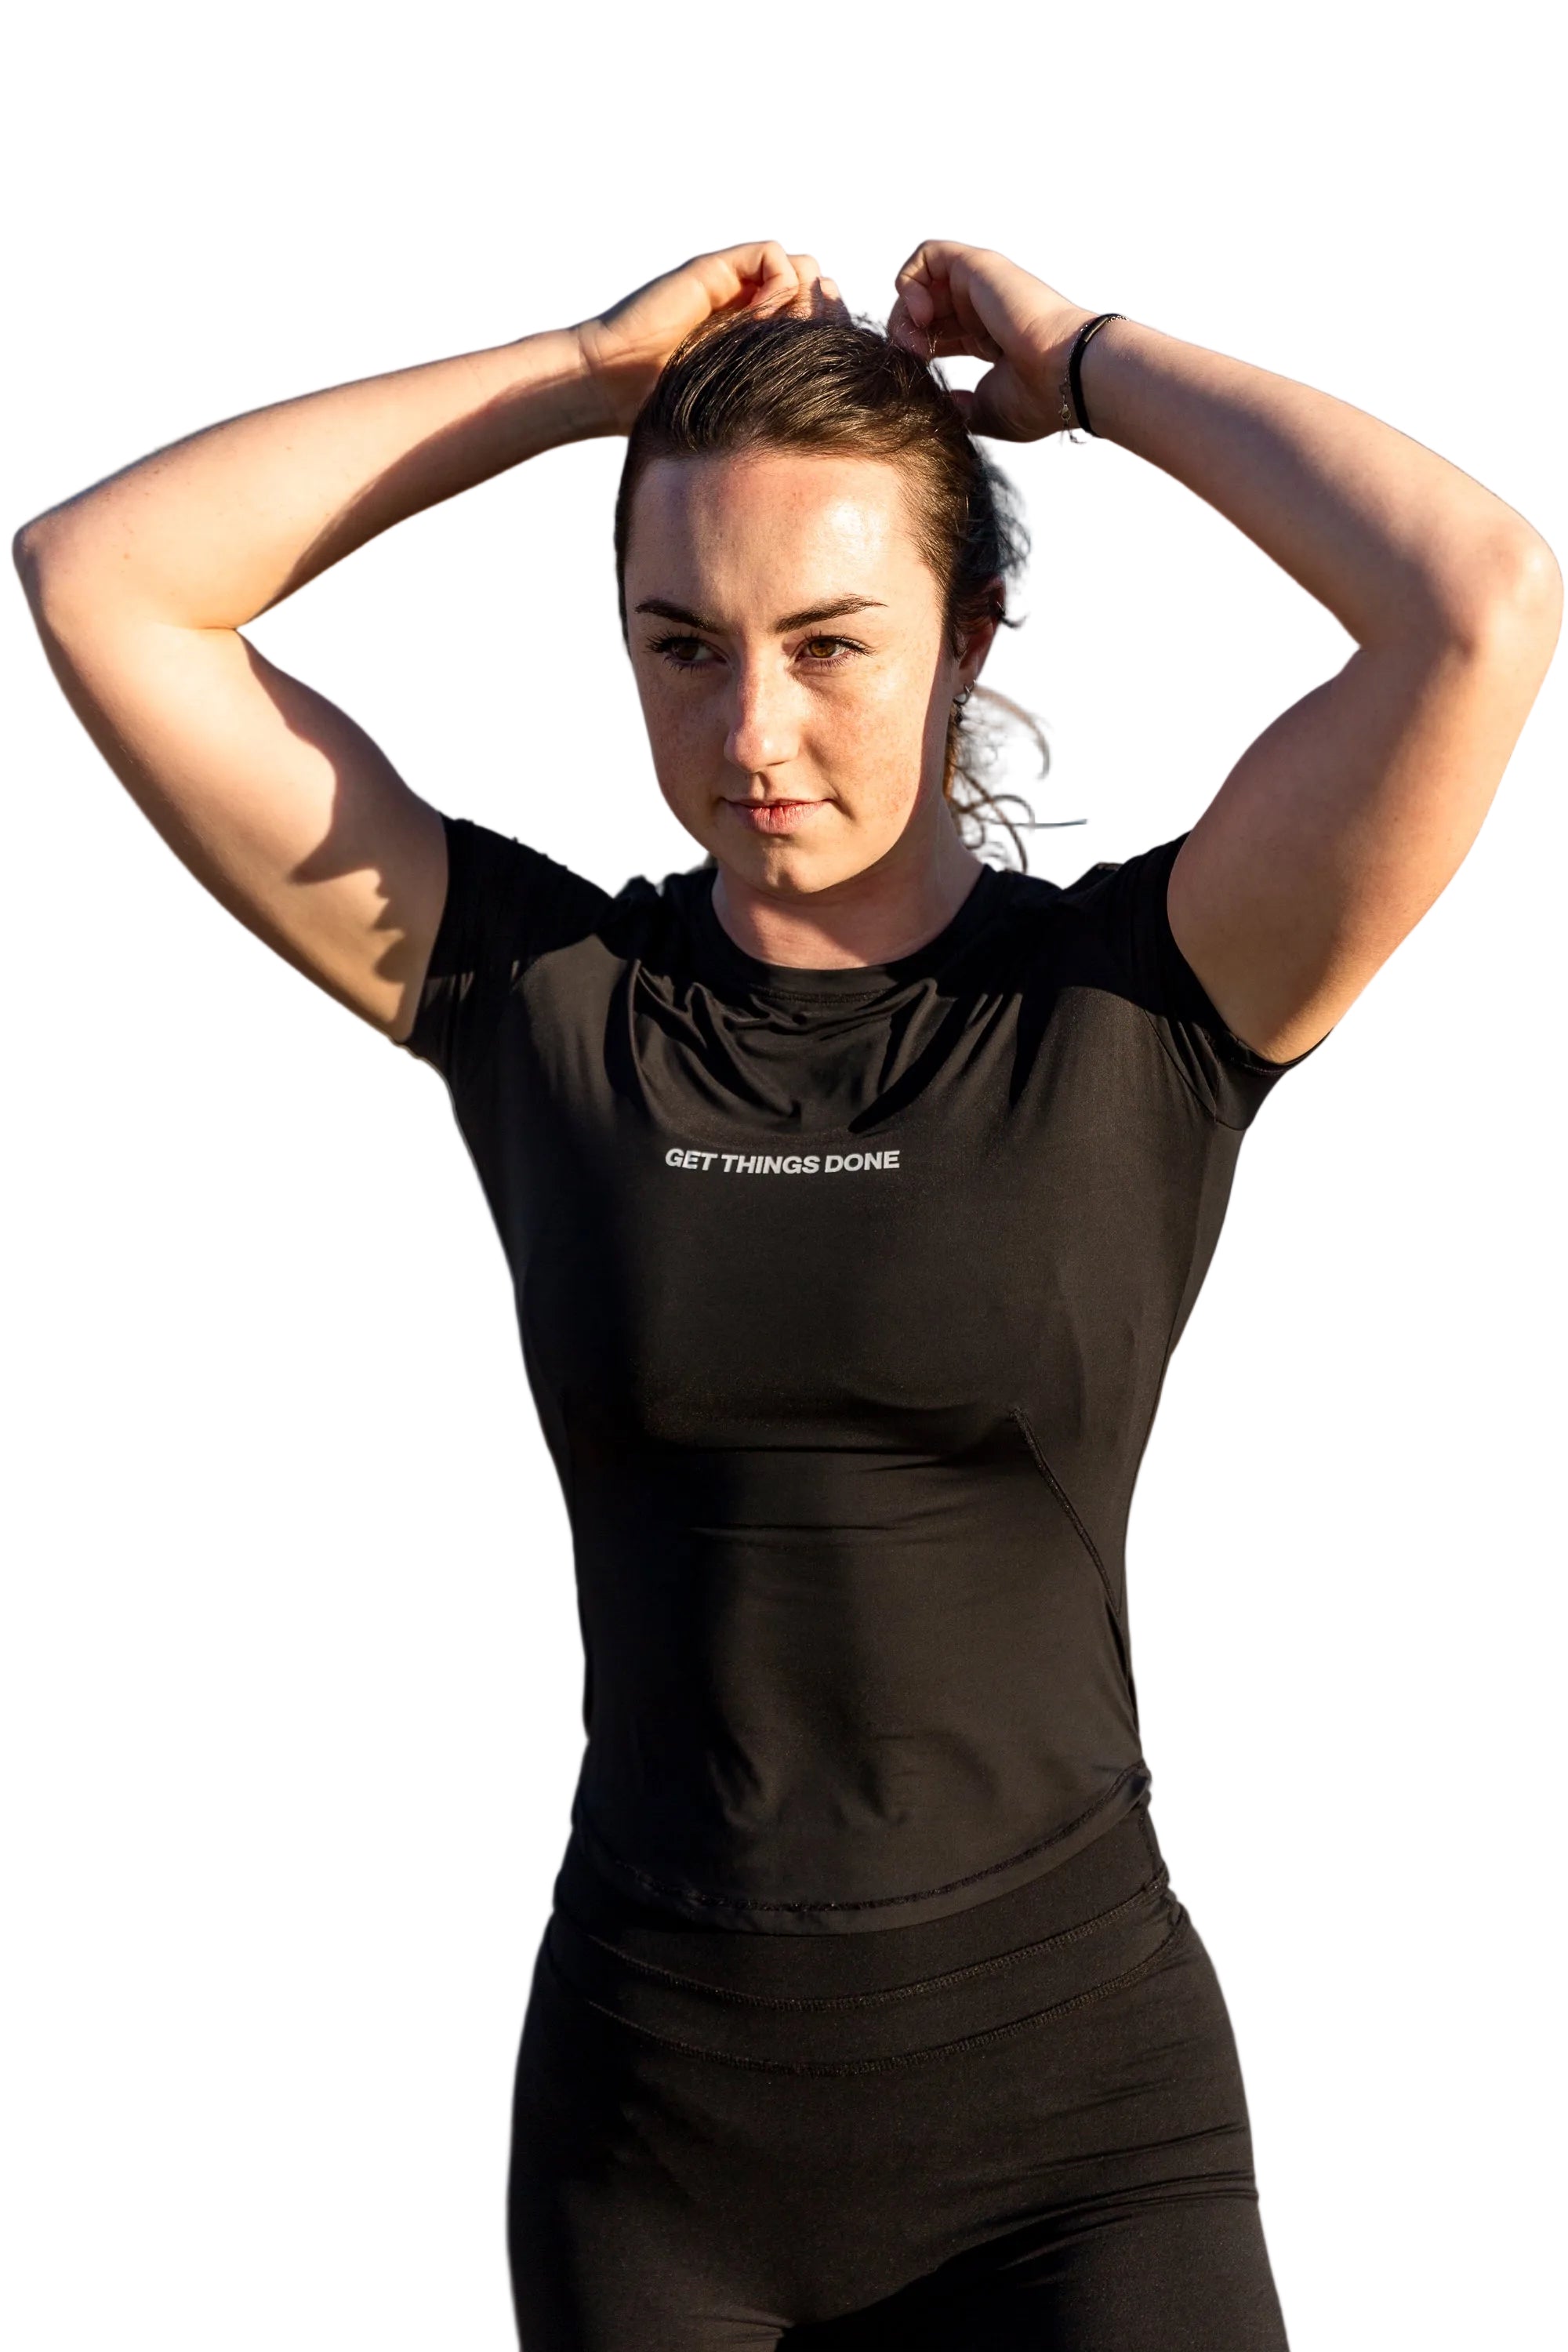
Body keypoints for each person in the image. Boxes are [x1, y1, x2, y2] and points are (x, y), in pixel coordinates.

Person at [14, 240, 1559, 2350]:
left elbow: (1481, 599)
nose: (751, 730)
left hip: (1079, 2123)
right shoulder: (545, 1001)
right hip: (657, 2144)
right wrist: (584, 375)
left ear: (969, 632)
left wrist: (1086, 366)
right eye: (682, 645)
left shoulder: (1140, 1005)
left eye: (833, 644)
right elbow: (103, 578)